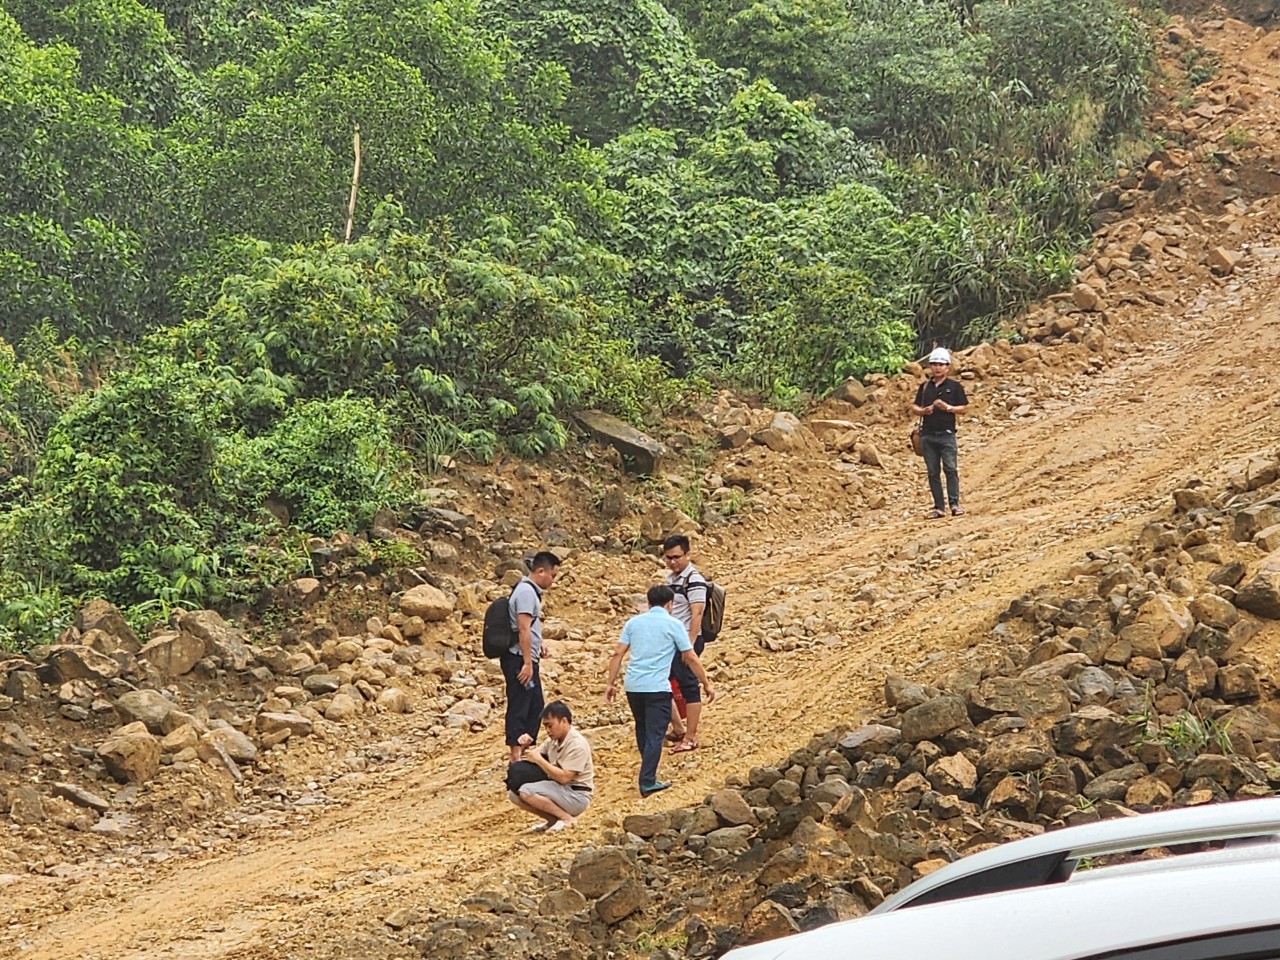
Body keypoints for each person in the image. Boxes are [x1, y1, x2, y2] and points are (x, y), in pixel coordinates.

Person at [605, 584, 715, 796]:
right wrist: (706, 683)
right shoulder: (673, 624)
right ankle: (647, 781)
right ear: (670, 604)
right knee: (656, 732)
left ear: (649, 603)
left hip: (633, 685)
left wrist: (610, 683)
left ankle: (647, 770)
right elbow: (690, 656)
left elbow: (618, 653)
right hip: (656, 687)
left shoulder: (633, 623)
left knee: (642, 728)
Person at [502, 550, 560, 763]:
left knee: (535, 703)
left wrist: (539, 644)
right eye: (552, 576)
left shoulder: (528, 591)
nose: (552, 581)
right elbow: (523, 629)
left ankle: (525, 747)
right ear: (540, 570)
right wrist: (527, 663)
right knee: (521, 702)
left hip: (526, 656)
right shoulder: (526, 592)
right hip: (519, 658)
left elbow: (531, 628)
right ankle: (516, 754)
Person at [507, 700, 594, 833]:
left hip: (577, 794)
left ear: (564, 721)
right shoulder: (552, 742)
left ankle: (566, 819)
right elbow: (529, 758)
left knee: (526, 791)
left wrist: (539, 760)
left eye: (550, 726)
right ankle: (553, 820)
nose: (547, 730)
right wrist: (524, 746)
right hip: (560, 789)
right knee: (514, 794)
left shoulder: (577, 745)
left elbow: (565, 778)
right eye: (545, 727)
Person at [910, 347, 969, 519]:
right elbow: (913, 406)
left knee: (950, 469)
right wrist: (922, 411)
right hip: (928, 435)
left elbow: (964, 408)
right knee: (933, 472)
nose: (937, 368)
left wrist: (948, 408)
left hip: (947, 433)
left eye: (941, 364)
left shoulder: (954, 387)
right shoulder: (925, 386)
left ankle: (954, 504)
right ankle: (939, 507)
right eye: (934, 364)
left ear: (947, 367)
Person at [661, 534, 706, 753]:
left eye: (676, 557)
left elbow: (697, 613)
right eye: (668, 557)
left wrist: (689, 645)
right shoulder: (672, 579)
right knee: (663, 682)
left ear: (687, 555)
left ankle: (690, 736)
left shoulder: (694, 580)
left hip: (686, 642)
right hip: (672, 642)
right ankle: (679, 728)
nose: (672, 562)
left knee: (689, 686)